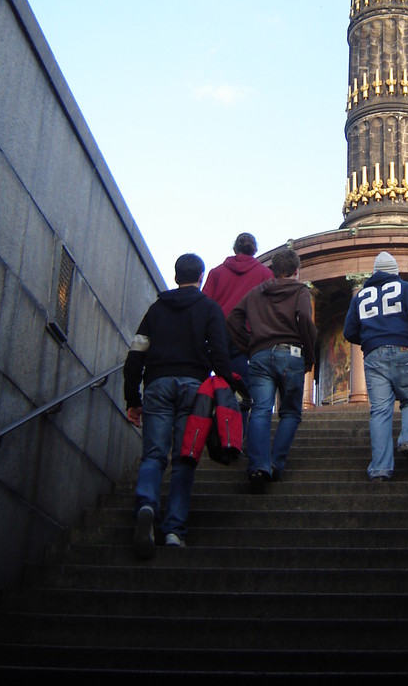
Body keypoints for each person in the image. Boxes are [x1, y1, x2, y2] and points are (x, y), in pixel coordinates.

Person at [123, 252, 240, 558]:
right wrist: (226, 386)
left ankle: (146, 504)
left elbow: (135, 354)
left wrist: (132, 399)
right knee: (185, 457)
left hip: (157, 385)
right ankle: (174, 529)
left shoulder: (156, 309)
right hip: (194, 389)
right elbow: (219, 352)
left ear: (176, 277)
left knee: (153, 455)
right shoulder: (209, 308)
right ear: (201, 277)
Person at [227, 247, 317, 493]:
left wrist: (248, 345)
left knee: (260, 410)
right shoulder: (300, 291)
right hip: (291, 354)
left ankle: (258, 466)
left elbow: (233, 317)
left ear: (273, 271)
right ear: (297, 271)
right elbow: (304, 319)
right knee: (289, 412)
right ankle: (276, 463)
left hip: (260, 356)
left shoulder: (256, 293)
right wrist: (310, 353)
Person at [343, 251, 408, 481]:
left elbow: (349, 332)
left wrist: (371, 339)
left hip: (373, 356)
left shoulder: (360, 296)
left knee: (379, 411)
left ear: (376, 272)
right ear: (395, 271)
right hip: (402, 350)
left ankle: (380, 469)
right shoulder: (406, 288)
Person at [202, 233, 273, 437]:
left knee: (217, 383)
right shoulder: (264, 274)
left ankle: (211, 429)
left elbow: (206, 304)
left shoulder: (217, 273)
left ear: (235, 249)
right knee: (242, 388)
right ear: (254, 249)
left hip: (218, 335)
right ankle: (236, 435)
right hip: (246, 336)